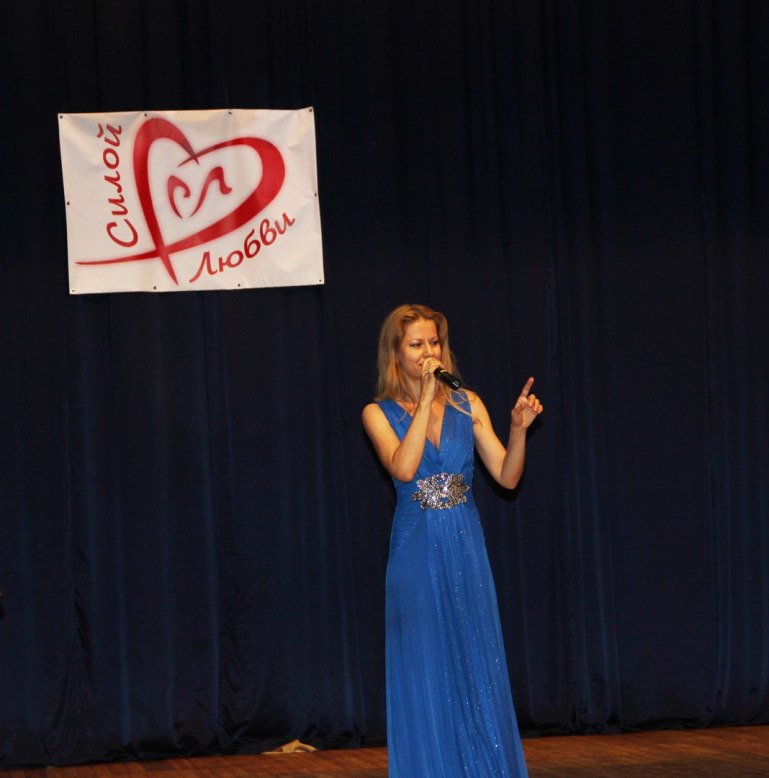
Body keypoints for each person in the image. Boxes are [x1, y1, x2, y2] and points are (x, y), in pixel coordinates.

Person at [362, 304, 542, 777]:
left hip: (465, 548)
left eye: (434, 342)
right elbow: (404, 468)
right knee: (427, 665)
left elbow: (507, 477)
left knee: (475, 659)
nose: (428, 352)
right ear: (395, 354)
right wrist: (424, 400)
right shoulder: (377, 413)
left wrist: (518, 431)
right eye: (416, 344)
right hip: (416, 552)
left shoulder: (468, 403)